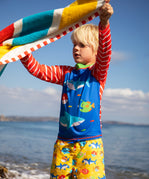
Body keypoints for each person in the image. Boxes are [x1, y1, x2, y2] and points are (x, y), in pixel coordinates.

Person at [21, 1, 113, 178]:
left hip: (90, 144)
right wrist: (24, 51)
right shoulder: (66, 73)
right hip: (63, 143)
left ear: (96, 50)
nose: (76, 49)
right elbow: (38, 70)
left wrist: (104, 24)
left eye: (82, 45)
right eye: (74, 45)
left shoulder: (98, 73)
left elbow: (106, 52)